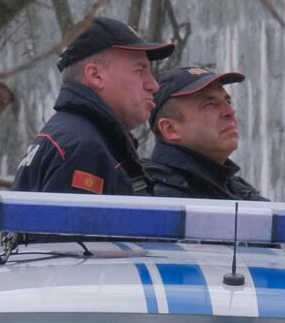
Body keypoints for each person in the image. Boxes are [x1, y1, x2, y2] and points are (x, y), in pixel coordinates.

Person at [13, 17, 174, 195]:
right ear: (96, 75)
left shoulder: (72, 137)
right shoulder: (83, 149)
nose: (153, 85)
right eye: (140, 70)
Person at [144, 66, 268, 201]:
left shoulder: (239, 190)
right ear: (170, 129)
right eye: (209, 104)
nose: (230, 112)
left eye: (228, 101)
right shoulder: (147, 196)